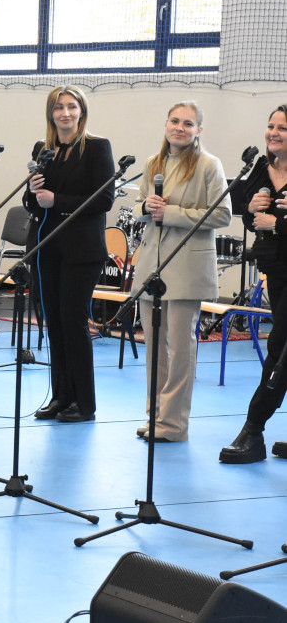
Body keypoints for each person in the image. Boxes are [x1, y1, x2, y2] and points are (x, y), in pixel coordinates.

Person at [130, 102, 230, 444]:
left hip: (187, 265)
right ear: (166, 124)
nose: (180, 128)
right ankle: (155, 415)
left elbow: (222, 215)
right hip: (152, 264)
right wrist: (145, 207)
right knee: (154, 347)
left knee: (180, 349)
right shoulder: (153, 163)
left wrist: (171, 213)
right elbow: (139, 206)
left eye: (188, 123)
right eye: (175, 121)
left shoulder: (209, 165)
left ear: (199, 130)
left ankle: (173, 424)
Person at [25, 85, 115, 423]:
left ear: (81, 111)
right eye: (59, 107)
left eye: (71, 107)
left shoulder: (97, 147)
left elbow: (104, 200)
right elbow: (32, 202)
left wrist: (56, 201)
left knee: (73, 323)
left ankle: (83, 403)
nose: (65, 113)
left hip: (82, 250)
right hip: (47, 248)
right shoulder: (43, 149)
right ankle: (61, 396)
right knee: (55, 323)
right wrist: (32, 193)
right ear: (51, 113)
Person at [221, 104, 287, 463]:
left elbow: (274, 224)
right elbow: (252, 220)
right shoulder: (262, 168)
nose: (273, 133)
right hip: (276, 269)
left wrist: (278, 224)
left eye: (283, 128)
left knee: (278, 348)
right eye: (271, 125)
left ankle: (253, 430)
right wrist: (251, 211)